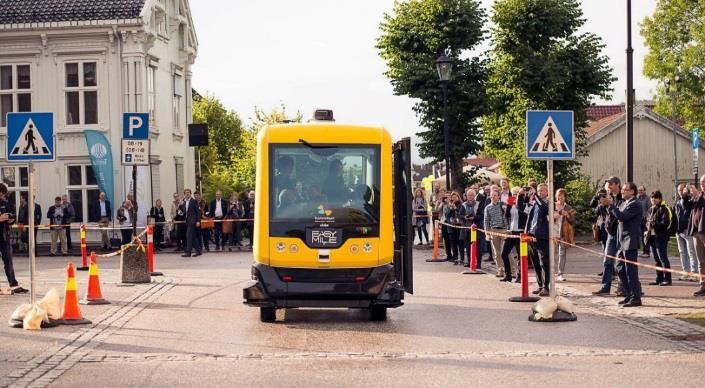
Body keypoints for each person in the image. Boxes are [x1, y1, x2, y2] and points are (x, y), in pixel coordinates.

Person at [601, 182, 643, 307]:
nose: (623, 192)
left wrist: (611, 205)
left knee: (631, 271)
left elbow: (622, 217)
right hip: (622, 241)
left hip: (630, 241)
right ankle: (629, 293)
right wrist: (609, 206)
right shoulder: (624, 203)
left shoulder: (635, 204)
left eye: (626, 190)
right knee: (619, 267)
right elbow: (616, 214)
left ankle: (636, 297)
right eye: (623, 190)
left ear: (633, 192)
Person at [593, 176, 624, 296]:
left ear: (617, 184)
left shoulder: (622, 197)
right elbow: (597, 211)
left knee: (621, 262)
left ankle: (623, 287)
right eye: (607, 185)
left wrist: (611, 203)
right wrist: (602, 203)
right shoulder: (608, 197)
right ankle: (605, 287)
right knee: (607, 261)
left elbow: (621, 214)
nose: (609, 187)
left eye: (611, 184)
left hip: (620, 233)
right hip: (611, 232)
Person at [0, 183, 26, 293]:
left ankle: (13, 284)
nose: (2, 197)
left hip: (4, 235)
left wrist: (11, 219)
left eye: (3, 195)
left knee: (8, 261)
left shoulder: (5, 203)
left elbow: (12, 215)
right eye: (1, 195)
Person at [526, 183, 550, 296]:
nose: (540, 192)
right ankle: (540, 285)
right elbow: (524, 212)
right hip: (531, 235)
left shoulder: (547, 203)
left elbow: (545, 209)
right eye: (539, 190)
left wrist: (536, 196)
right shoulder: (535, 203)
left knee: (544, 263)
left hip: (542, 236)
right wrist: (521, 195)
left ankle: (546, 287)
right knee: (535, 262)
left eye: (542, 191)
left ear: (547, 192)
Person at [645, 190, 672, 286]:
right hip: (651, 237)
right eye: (652, 198)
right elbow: (647, 220)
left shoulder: (663, 209)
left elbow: (665, 223)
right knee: (656, 259)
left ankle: (668, 279)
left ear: (660, 199)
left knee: (663, 257)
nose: (653, 200)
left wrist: (653, 223)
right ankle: (659, 278)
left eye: (655, 198)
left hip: (661, 237)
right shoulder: (650, 209)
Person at [501, 187, 527, 282]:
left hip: (520, 231)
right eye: (513, 194)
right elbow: (506, 216)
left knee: (520, 255)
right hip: (511, 231)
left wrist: (518, 203)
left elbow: (524, 214)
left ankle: (520, 275)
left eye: (516, 193)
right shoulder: (511, 203)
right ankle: (508, 275)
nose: (514, 195)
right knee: (504, 254)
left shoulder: (523, 203)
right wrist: (509, 204)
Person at [674, 184, 699, 281]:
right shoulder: (677, 201)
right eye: (679, 190)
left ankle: (694, 272)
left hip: (687, 230)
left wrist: (685, 196)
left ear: (686, 190)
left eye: (682, 190)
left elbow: (686, 207)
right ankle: (686, 272)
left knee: (691, 252)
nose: (680, 192)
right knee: (682, 252)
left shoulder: (690, 200)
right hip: (679, 230)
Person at [687, 176, 705, 297]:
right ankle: (703, 285)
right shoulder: (699, 196)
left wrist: (698, 194)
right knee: (701, 261)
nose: (703, 184)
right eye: (702, 182)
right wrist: (685, 196)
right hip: (697, 232)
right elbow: (686, 207)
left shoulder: (701, 196)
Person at [484, 189, 508, 278]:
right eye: (492, 195)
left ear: (499, 196)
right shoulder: (488, 207)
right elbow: (486, 221)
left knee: (506, 252)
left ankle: (512, 271)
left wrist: (508, 229)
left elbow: (507, 217)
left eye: (495, 195)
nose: (493, 197)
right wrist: (487, 233)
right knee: (496, 253)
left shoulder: (503, 205)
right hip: (493, 230)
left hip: (504, 230)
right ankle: (500, 270)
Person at [554, 188, 576, 282]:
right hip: (553, 233)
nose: (560, 198)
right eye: (558, 196)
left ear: (565, 197)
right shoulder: (552, 206)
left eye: (562, 196)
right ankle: (551, 272)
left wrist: (568, 216)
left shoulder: (569, 208)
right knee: (552, 253)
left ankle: (560, 273)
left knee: (562, 253)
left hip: (563, 233)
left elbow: (573, 221)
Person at [458, 189, 477, 267]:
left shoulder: (478, 204)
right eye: (468, 195)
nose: (470, 197)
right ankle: (469, 261)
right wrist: (465, 217)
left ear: (474, 196)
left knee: (476, 247)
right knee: (468, 247)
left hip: (476, 228)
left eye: (471, 195)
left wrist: (474, 218)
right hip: (466, 229)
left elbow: (481, 215)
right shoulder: (464, 205)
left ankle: (477, 263)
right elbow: (459, 215)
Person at [181, 188, 202, 257]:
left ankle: (188, 252)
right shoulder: (184, 202)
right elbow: (184, 212)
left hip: (193, 221)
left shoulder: (194, 201)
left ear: (190, 194)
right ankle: (198, 251)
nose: (187, 194)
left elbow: (198, 212)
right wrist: (179, 211)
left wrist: (198, 221)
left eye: (188, 192)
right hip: (187, 221)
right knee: (192, 237)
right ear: (184, 194)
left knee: (188, 236)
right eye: (186, 193)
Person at [445, 192, 462, 264]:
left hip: (459, 226)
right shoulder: (449, 205)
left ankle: (462, 258)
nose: (454, 198)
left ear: (458, 197)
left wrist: (455, 208)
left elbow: (461, 214)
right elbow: (447, 215)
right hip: (451, 226)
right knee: (453, 243)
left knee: (460, 243)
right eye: (453, 197)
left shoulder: (461, 205)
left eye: (455, 197)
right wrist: (451, 208)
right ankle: (455, 257)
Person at [636, 186, 651, 258]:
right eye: (639, 190)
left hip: (645, 220)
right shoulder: (637, 198)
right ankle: (644, 251)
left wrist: (647, 218)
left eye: (641, 190)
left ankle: (647, 251)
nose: (640, 191)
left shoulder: (648, 199)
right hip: (639, 220)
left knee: (646, 236)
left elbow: (649, 209)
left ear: (645, 191)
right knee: (641, 236)